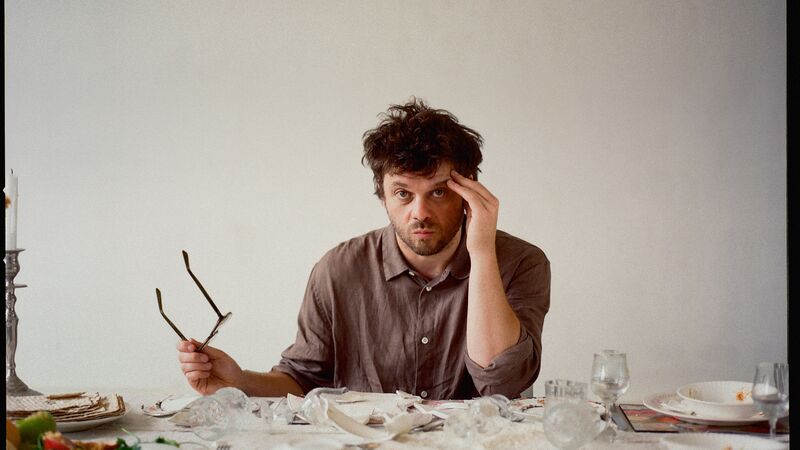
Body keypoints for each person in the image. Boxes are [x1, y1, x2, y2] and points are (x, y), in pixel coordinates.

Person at [177, 98, 550, 400]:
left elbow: (502, 384)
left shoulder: (521, 263)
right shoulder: (337, 269)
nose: (419, 212)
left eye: (438, 192)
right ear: (383, 196)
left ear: (468, 191)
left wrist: (482, 252)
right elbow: (304, 381)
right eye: (403, 193)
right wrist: (240, 381)